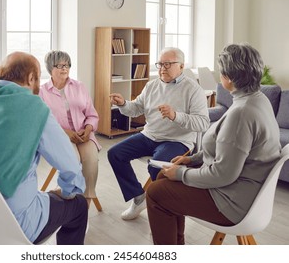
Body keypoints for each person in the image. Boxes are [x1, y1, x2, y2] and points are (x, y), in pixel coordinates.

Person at [146, 43, 281, 244]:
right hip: (244, 191)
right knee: (162, 178)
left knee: (155, 192)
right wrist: (192, 159)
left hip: (231, 201)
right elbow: (229, 147)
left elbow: (222, 174)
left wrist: (182, 174)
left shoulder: (241, 114)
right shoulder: (257, 99)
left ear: (229, 78)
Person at [0, 51, 88, 245]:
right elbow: (71, 167)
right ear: (31, 78)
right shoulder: (35, 108)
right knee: (79, 205)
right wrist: (65, 192)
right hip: (13, 225)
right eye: (38, 78)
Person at [108, 47, 209, 220]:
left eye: (168, 64)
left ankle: (166, 211)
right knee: (114, 154)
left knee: (157, 167)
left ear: (181, 66)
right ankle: (139, 198)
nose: (163, 68)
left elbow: (203, 123)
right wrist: (123, 103)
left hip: (177, 141)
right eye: (160, 63)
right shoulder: (152, 85)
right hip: (149, 135)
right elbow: (135, 109)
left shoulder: (193, 89)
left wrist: (175, 116)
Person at [39, 50, 101, 208]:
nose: (64, 68)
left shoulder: (79, 86)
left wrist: (87, 130)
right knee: (72, 160)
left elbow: (92, 114)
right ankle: (68, 195)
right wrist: (67, 133)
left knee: (91, 160)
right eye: (59, 65)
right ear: (50, 68)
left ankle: (86, 202)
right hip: (60, 137)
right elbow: (44, 121)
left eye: (66, 65)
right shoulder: (42, 92)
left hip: (84, 134)